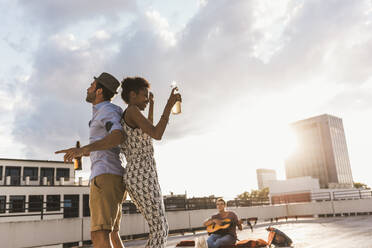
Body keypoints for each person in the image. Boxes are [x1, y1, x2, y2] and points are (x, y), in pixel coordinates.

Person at [55, 72, 127, 248]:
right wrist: (83, 153)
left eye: (92, 86)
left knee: (99, 234)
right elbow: (108, 146)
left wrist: (84, 149)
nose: (88, 88)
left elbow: (117, 136)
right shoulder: (109, 111)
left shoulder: (107, 111)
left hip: (105, 177)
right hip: (113, 176)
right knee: (113, 234)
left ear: (100, 91)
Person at [119, 76, 181, 248]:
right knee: (160, 229)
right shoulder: (131, 111)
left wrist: (152, 104)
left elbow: (148, 129)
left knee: (161, 228)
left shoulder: (133, 113)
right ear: (133, 95)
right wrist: (168, 105)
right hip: (140, 174)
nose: (147, 99)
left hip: (145, 173)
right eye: (144, 95)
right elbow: (156, 133)